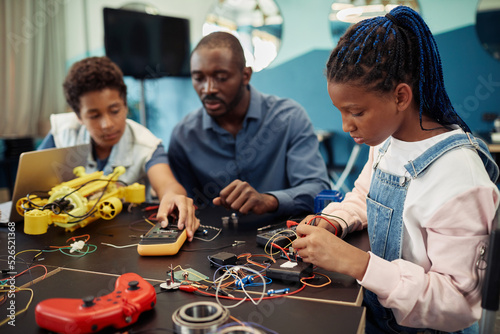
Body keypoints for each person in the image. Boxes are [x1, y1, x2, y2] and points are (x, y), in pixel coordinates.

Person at [292, 6, 499, 334]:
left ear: (401, 96)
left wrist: (357, 263)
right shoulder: (386, 142)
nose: (346, 125)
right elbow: (365, 196)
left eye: (356, 112)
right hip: (380, 312)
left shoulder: (461, 178)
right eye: (341, 112)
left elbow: (458, 304)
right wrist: (334, 220)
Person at [168, 32, 330, 217]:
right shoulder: (183, 136)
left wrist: (269, 200)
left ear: (246, 75)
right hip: (212, 242)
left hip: (284, 240)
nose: (208, 89)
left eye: (221, 77)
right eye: (199, 78)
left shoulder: (289, 119)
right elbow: (183, 204)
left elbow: (319, 190)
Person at [38, 56, 199, 240]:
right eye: (94, 115)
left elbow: (168, 185)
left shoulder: (146, 144)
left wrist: (174, 197)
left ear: (125, 105)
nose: (107, 124)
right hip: (69, 237)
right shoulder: (62, 132)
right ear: (79, 117)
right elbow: (32, 185)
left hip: (124, 238)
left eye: (114, 111)